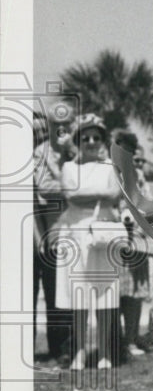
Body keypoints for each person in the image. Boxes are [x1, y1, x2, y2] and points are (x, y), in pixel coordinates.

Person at [54, 114, 126, 374]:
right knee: (79, 296)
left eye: (96, 137)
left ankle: (105, 353)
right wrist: (99, 196)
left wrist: (91, 196)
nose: (91, 142)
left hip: (104, 233)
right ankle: (80, 353)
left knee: (106, 294)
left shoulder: (110, 167)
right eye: (85, 138)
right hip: (75, 233)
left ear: (103, 140)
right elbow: (71, 196)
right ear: (77, 140)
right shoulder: (69, 168)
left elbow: (115, 195)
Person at [33, 100, 77, 363]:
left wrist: (71, 151)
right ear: (49, 126)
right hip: (51, 230)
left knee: (68, 292)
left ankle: (66, 348)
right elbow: (43, 188)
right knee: (51, 289)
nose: (61, 128)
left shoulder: (82, 151)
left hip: (77, 230)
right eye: (56, 124)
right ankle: (54, 347)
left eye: (66, 124)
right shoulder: (40, 153)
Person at [112, 131, 152, 360]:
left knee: (134, 293)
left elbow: (147, 202)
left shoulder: (137, 175)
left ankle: (131, 339)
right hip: (113, 239)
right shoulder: (107, 172)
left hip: (136, 238)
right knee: (115, 292)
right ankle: (115, 341)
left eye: (129, 149)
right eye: (120, 148)